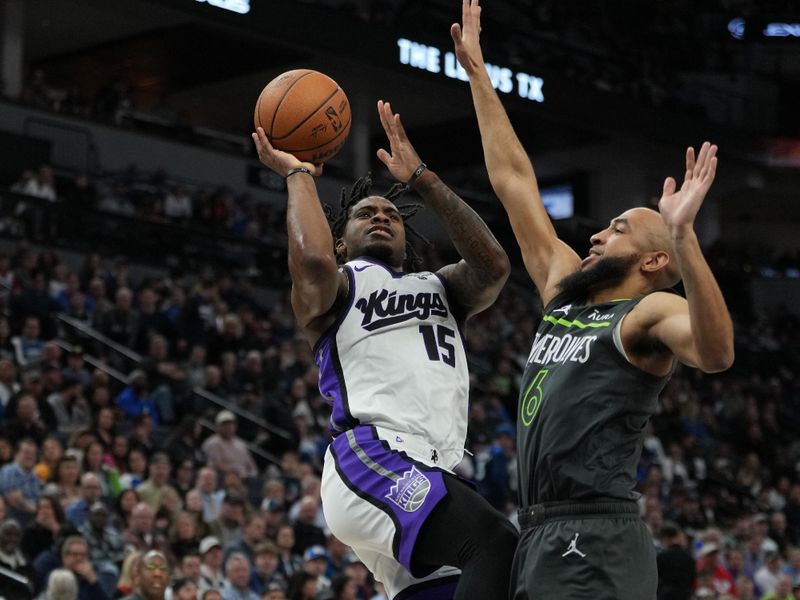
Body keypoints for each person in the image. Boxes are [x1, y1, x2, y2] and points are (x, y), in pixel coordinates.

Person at [451, 1, 735, 598]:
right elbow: (514, 182)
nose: (596, 234)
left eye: (617, 229)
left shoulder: (646, 314)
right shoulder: (564, 293)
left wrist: (684, 238)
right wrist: (478, 74)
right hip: (538, 529)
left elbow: (715, 352)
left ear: (655, 262)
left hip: (596, 533)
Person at [252, 93, 517, 599]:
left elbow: (494, 267)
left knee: (455, 587)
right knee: (495, 544)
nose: (381, 216)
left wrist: (423, 179)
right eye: (365, 213)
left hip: (431, 465)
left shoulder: (442, 288)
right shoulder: (341, 286)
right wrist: (299, 174)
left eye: (393, 214)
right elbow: (310, 265)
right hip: (371, 456)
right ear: (340, 242)